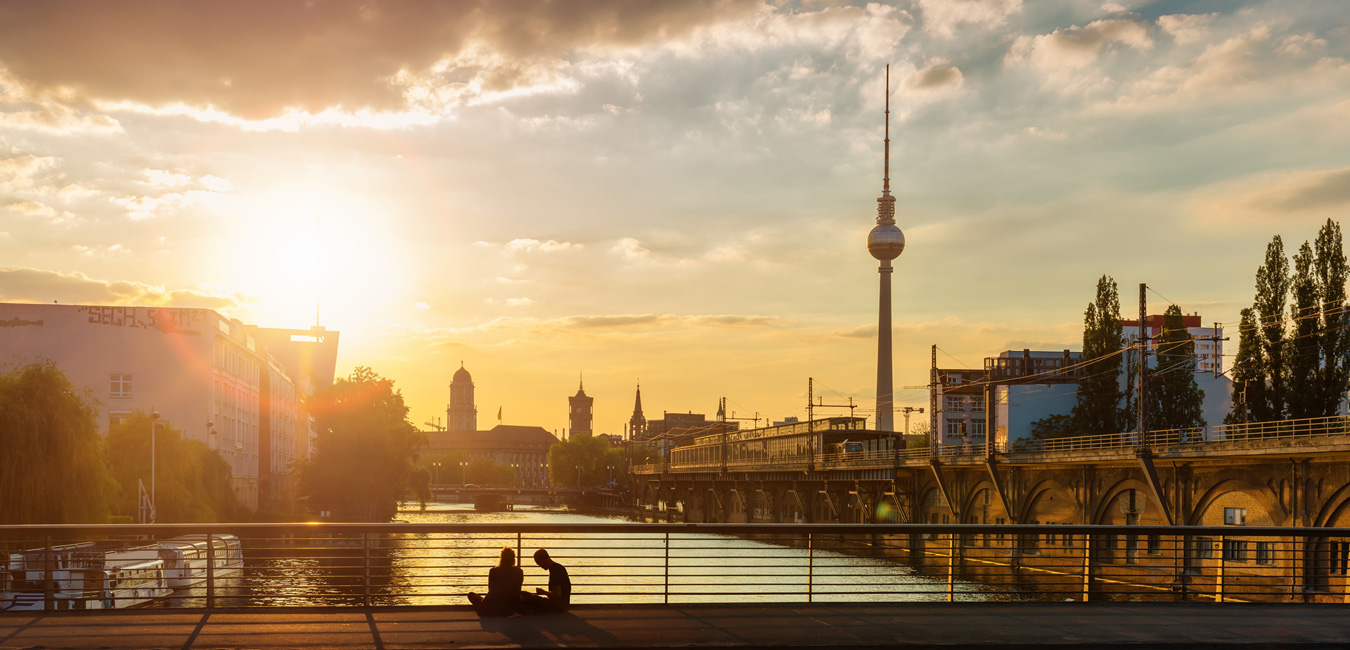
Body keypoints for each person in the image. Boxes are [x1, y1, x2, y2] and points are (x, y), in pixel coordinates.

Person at [467, 547, 523, 617]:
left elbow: (491, 589)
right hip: (508, 609)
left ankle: (481, 603)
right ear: (513, 559)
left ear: (501, 558)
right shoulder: (519, 572)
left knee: (471, 595)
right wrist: (515, 610)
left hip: (489, 609)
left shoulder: (493, 571)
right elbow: (517, 592)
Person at [521, 548, 571, 613]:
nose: (540, 566)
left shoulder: (555, 571)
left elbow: (558, 594)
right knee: (526, 594)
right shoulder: (558, 567)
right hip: (562, 605)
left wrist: (543, 592)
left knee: (531, 598)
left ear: (545, 559)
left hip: (558, 606)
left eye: (539, 563)